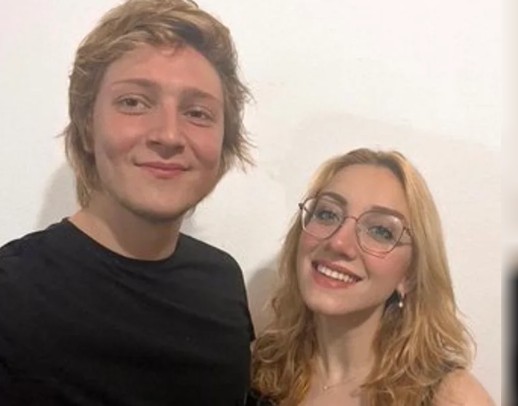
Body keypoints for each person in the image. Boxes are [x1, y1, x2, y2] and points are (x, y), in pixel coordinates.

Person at [0, 0, 254, 405]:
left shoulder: (221, 283)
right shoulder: (12, 293)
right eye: (134, 102)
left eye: (197, 112)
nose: (168, 135)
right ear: (87, 126)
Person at [248, 148, 494, 406]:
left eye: (380, 231)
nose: (339, 242)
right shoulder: (257, 368)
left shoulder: (453, 398)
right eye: (327, 214)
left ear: (410, 275)